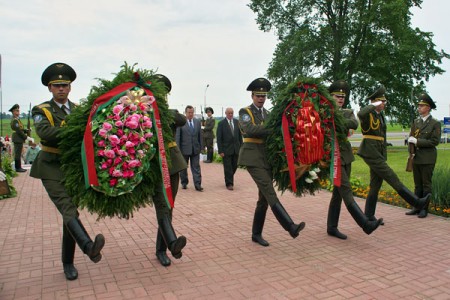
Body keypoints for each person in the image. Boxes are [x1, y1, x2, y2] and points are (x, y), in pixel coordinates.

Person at [30, 62, 105, 281]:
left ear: (70, 87)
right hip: (50, 167)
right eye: (56, 85)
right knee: (68, 208)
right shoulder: (41, 110)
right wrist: (74, 130)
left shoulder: (80, 110)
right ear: (49, 88)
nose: (61, 89)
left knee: (69, 216)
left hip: (72, 169)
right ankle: (88, 246)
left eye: (64, 85)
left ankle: (68, 263)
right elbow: (46, 133)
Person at [238, 78, 305, 247]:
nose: (261, 98)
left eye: (264, 95)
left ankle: (256, 234)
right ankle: (290, 226)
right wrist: (273, 127)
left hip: (266, 158)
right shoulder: (245, 111)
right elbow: (250, 129)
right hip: (252, 157)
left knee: (264, 199)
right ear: (252, 96)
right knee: (269, 191)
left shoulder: (268, 114)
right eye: (258, 95)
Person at [357, 85, 431, 223]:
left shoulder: (380, 116)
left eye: (384, 101)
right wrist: (374, 105)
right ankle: (417, 202)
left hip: (378, 153)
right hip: (370, 152)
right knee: (392, 177)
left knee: (375, 185)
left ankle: (368, 215)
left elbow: (382, 137)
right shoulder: (368, 114)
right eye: (382, 101)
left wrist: (383, 154)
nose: (384, 104)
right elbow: (360, 114)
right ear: (375, 102)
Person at [326, 80, 382, 240]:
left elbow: (354, 123)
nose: (341, 99)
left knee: (338, 194)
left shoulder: (347, 111)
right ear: (331, 97)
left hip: (346, 155)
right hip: (333, 157)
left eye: (343, 96)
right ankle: (365, 224)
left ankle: (332, 227)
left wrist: (336, 121)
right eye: (337, 96)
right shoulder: (324, 112)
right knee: (346, 189)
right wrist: (339, 123)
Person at [152, 74, 188, 266]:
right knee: (162, 206)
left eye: (163, 92)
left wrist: (162, 111)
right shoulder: (141, 112)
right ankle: (170, 244)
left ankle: (162, 248)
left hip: (172, 164)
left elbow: (181, 119)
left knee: (169, 207)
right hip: (154, 166)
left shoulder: (168, 113)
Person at [405, 93, 441, 218]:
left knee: (426, 184)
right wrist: (410, 149)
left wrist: (418, 141)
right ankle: (416, 206)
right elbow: (411, 137)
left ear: (428, 107)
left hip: (427, 158)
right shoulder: (416, 122)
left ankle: (424, 209)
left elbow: (434, 141)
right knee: (417, 184)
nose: (419, 108)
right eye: (418, 106)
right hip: (416, 157)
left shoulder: (435, 123)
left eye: (422, 106)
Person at [176, 105, 204, 191]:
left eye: (192, 112)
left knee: (196, 167)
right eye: (189, 112)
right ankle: (184, 183)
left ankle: (197, 184)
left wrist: (201, 147)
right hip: (184, 150)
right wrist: (178, 150)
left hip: (195, 149)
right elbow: (178, 137)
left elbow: (200, 136)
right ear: (185, 113)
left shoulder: (197, 122)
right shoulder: (181, 123)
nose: (191, 114)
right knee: (183, 168)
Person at [216, 107, 243, 190]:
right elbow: (219, 138)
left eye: (232, 113)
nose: (231, 114)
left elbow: (239, 136)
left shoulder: (237, 122)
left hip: (236, 149)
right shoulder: (221, 124)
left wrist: (241, 147)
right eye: (229, 113)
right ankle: (229, 184)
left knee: (234, 166)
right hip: (226, 150)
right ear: (226, 113)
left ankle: (228, 177)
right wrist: (221, 150)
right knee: (228, 167)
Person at [9, 104, 31, 172]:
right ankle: (18, 168)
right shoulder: (15, 120)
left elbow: (20, 129)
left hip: (19, 138)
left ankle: (19, 167)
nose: (18, 112)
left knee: (19, 153)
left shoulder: (17, 120)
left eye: (18, 111)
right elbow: (18, 131)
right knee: (18, 153)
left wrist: (26, 130)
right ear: (13, 112)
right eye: (16, 111)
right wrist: (26, 137)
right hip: (17, 138)